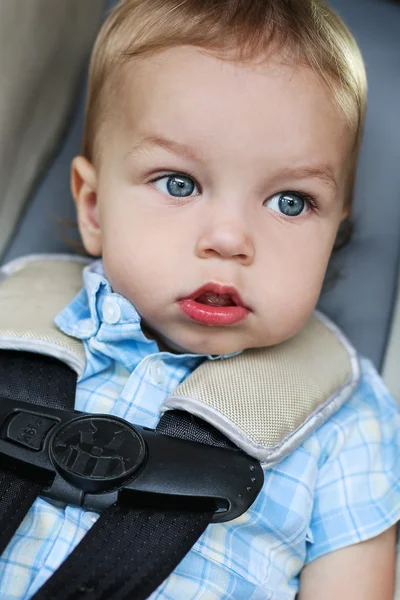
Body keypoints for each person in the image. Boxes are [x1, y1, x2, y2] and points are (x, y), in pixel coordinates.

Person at [1, 0, 399, 598]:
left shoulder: (344, 418)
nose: (229, 240)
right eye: (179, 184)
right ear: (94, 208)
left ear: (334, 233)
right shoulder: (13, 316)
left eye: (290, 201)